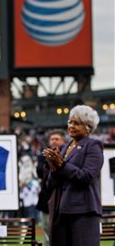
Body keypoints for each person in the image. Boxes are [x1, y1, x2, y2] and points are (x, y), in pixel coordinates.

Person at [42, 105, 103, 246]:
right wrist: (54, 168)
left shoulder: (93, 146)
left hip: (83, 211)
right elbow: (50, 185)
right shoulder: (64, 148)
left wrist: (62, 165)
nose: (71, 126)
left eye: (77, 123)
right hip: (61, 210)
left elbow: (86, 177)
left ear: (88, 127)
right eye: (70, 122)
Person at [36, 129, 66, 246]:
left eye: (57, 139)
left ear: (63, 140)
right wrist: (50, 160)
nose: (54, 141)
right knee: (47, 232)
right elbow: (39, 172)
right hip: (47, 198)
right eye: (52, 139)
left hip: (64, 197)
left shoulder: (68, 154)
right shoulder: (43, 156)